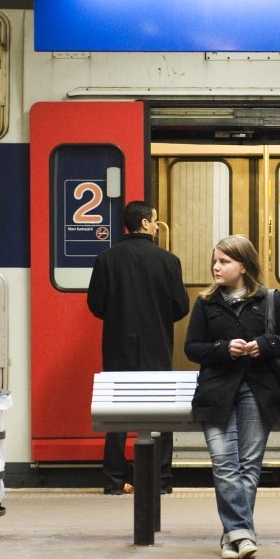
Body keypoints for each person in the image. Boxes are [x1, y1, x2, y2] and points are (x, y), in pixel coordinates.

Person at [184, 235, 280, 559]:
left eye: (224, 261)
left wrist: (264, 344)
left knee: (248, 464)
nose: (216, 267)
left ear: (243, 266)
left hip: (258, 390)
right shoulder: (206, 303)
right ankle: (242, 533)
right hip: (216, 392)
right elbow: (192, 348)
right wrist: (222, 349)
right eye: (215, 261)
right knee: (224, 463)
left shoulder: (271, 300)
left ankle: (231, 536)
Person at [87, 201, 189, 496]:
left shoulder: (106, 259)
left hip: (117, 344)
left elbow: (96, 304)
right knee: (161, 412)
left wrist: (119, 315)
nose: (157, 225)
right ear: (144, 224)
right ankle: (161, 479)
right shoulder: (168, 261)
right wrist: (157, 316)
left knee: (117, 411)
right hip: (156, 344)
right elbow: (180, 306)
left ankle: (115, 481)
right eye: (155, 221)